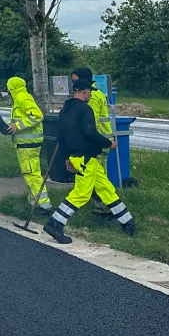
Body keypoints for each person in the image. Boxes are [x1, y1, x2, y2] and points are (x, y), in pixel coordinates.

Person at [44, 79, 136, 244]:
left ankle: (128, 224)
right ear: (84, 91)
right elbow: (90, 133)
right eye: (90, 91)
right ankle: (54, 223)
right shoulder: (85, 109)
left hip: (79, 158)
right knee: (81, 194)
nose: (91, 94)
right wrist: (109, 143)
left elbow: (61, 138)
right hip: (86, 158)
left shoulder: (64, 111)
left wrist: (66, 158)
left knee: (107, 190)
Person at [5, 77, 52, 215]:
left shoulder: (22, 98)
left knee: (32, 175)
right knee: (30, 174)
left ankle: (44, 206)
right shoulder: (20, 98)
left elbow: (37, 116)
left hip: (28, 145)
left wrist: (17, 126)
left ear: (11, 88)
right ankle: (34, 203)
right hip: (26, 144)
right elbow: (18, 119)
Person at [71, 66, 113, 214]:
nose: (74, 86)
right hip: (98, 141)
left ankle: (103, 208)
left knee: (97, 178)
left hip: (97, 142)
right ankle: (102, 206)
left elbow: (89, 125)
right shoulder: (91, 93)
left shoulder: (91, 96)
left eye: (76, 81)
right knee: (96, 177)